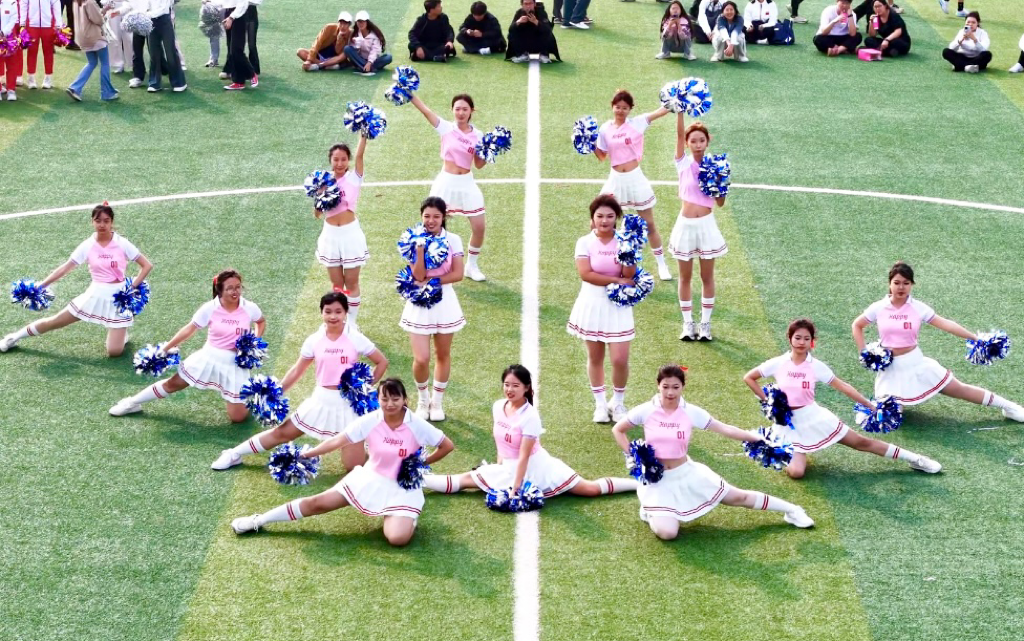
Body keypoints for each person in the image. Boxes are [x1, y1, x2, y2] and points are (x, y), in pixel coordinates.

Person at [230, 379, 456, 547]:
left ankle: (409, 518)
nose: (390, 404)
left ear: (405, 400)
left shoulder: (417, 424)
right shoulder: (371, 420)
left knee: (397, 539)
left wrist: (419, 466)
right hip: (369, 479)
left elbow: (447, 446)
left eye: (395, 399)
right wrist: (307, 455)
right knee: (317, 504)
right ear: (378, 399)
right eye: (384, 399)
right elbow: (338, 441)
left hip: (402, 489)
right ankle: (259, 520)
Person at [612, 364, 815, 540]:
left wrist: (757, 438)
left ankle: (792, 510)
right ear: (658, 385)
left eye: (675, 387)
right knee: (667, 533)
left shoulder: (690, 412)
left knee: (738, 497)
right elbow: (618, 430)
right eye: (665, 387)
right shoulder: (646, 410)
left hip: (686, 473)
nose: (670, 392)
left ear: (683, 386)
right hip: (658, 480)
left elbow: (725, 429)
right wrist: (636, 456)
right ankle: (650, 510)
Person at [744, 318, 944, 479]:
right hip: (787, 425)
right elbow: (749, 378)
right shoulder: (778, 363)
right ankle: (793, 449)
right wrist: (767, 401)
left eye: (806, 338)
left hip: (813, 417)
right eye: (797, 338)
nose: (801, 342)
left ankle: (915, 459)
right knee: (796, 473)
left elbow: (843, 386)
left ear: (812, 342)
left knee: (861, 443)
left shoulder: (816, 366)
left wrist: (869, 405)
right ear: (790, 339)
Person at [211, 291, 387, 473]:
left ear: (345, 313)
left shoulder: (355, 338)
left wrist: (363, 389)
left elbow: (382, 362)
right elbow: (297, 370)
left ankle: (370, 447)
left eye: (338, 311)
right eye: (328, 311)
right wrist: (276, 392)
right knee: (282, 433)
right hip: (321, 400)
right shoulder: (314, 340)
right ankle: (234, 453)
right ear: (321, 312)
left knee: (353, 467)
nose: (333, 316)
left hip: (348, 405)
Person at [423, 365, 640, 499]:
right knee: (466, 480)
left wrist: (516, 487)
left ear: (526, 388)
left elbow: (525, 455)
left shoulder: (530, 416)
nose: (509, 390)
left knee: (590, 489)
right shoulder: (498, 406)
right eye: (506, 384)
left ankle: (638, 484)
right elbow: (500, 440)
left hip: (537, 467)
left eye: (515, 386)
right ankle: (416, 478)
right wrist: (499, 466)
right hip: (508, 466)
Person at [852, 262, 1024, 421]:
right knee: (889, 418)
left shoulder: (918, 307)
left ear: (912, 284)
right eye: (896, 283)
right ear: (890, 284)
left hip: (915, 364)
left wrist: (974, 338)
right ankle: (894, 403)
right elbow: (857, 325)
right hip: (890, 369)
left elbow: (947, 324)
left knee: (959, 389)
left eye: (906, 283)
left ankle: (1009, 407)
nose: (901, 287)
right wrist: (864, 352)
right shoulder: (879, 307)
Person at [108, 269, 266, 423]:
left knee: (238, 418)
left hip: (236, 363)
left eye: (238, 287)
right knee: (173, 383)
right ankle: (132, 402)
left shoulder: (249, 307)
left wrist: (254, 341)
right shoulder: (210, 308)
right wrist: (166, 348)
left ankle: (252, 395)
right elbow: (189, 329)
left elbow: (261, 321)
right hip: (210, 356)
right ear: (220, 290)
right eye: (229, 288)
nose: (235, 291)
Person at [1, 204, 152, 357]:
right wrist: (42, 285)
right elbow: (65, 268)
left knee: (114, 352)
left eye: (106, 221)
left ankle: (121, 333)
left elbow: (147, 266)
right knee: (55, 321)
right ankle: (14, 337)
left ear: (111, 222)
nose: (102, 225)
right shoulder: (87, 245)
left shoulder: (122, 243)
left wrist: (132, 287)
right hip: (94, 294)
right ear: (92, 222)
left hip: (119, 299)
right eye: (98, 221)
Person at [567, 195, 636, 423]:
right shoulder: (584, 242)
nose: (604, 221)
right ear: (592, 218)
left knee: (620, 359)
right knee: (595, 357)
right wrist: (616, 280)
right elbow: (586, 274)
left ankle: (618, 402)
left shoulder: (624, 241)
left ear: (617, 218)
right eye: (599, 216)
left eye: (609, 216)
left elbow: (629, 276)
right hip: (592, 303)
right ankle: (599, 405)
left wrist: (629, 253)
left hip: (618, 306)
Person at [409, 93, 490, 281]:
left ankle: (471, 266)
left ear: (471, 111)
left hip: (467, 183)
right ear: (452, 110)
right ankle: (426, 265)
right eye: (457, 109)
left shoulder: (478, 135)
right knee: (431, 225)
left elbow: (479, 164)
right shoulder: (446, 128)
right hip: (445, 182)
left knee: (479, 227)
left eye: (465, 109)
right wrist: (409, 93)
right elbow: (425, 111)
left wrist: (490, 151)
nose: (461, 113)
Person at [594, 90, 673, 280]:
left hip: (635, 178)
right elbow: (602, 156)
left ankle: (662, 264)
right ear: (612, 107)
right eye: (617, 107)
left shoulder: (637, 123)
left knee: (649, 224)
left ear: (630, 109)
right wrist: (589, 144)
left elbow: (661, 111)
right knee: (598, 219)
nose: (620, 111)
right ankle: (602, 261)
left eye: (624, 108)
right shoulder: (605, 129)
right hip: (615, 179)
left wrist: (677, 100)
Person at [399, 197, 466, 421]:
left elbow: (458, 274)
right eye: (427, 216)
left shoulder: (453, 240)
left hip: (445, 301)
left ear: (443, 217)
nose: (431, 221)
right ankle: (422, 400)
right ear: (421, 216)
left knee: (442, 354)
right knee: (421, 358)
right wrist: (419, 249)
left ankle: (437, 403)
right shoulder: (411, 238)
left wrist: (433, 281)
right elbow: (417, 275)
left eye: (436, 216)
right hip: (419, 302)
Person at [669, 116, 728, 342]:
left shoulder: (716, 167)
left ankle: (705, 324)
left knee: (706, 276)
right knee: (684, 277)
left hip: (706, 225)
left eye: (701, 140)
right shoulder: (683, 163)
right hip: (685, 225)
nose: (697, 144)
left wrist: (719, 185)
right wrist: (680, 112)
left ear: (708, 141)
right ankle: (688, 324)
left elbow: (720, 203)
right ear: (686, 143)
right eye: (692, 141)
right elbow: (678, 134)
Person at [315, 138, 369, 320]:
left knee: (351, 283)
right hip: (330, 236)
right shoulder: (323, 181)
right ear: (330, 160)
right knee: (337, 285)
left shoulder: (354, 178)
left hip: (350, 234)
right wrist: (321, 197)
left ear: (348, 160)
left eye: (343, 159)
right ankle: (340, 320)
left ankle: (351, 322)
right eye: (336, 159)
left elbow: (360, 155)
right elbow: (317, 213)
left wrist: (363, 136)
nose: (339, 163)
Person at [65, 0, 118, 102]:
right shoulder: (90, 1)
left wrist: (104, 10)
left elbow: (91, 16)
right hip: (95, 37)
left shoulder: (77, 2)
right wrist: (105, 15)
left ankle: (75, 88)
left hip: (83, 37)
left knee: (92, 63)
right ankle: (107, 92)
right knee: (105, 63)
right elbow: (98, 20)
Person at [146, 0, 187, 92]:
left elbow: (163, 9)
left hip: (164, 20)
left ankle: (179, 83)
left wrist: (147, 14)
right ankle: (154, 83)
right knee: (153, 52)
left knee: (170, 52)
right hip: (150, 21)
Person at [21, 0, 59, 89]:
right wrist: (22, 22)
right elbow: (24, 4)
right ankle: (31, 79)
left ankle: (48, 78)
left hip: (48, 25)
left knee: (48, 52)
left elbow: (56, 4)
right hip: (32, 25)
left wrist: (58, 24)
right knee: (32, 52)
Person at [222, 0, 259, 89]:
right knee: (231, 51)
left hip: (238, 16)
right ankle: (239, 82)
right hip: (228, 12)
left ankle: (252, 73)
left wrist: (231, 17)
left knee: (236, 50)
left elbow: (243, 3)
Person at [344, 10, 392, 76]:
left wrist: (369, 62)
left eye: (363, 21)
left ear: (367, 22)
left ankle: (364, 68)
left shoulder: (374, 35)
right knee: (347, 48)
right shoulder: (354, 33)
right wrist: (356, 45)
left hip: (372, 61)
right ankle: (368, 69)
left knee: (388, 57)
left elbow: (375, 51)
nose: (360, 24)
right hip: (359, 59)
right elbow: (352, 50)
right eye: (359, 21)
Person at [0, 0, 23, 100]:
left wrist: (3, 32)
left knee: (11, 64)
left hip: (8, 38)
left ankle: (11, 90)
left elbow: (13, 19)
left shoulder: (11, 2)